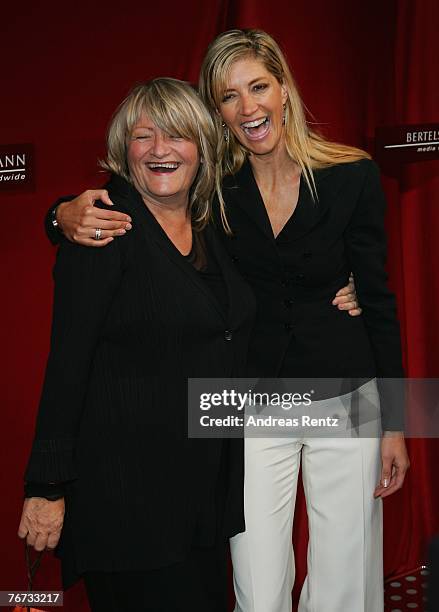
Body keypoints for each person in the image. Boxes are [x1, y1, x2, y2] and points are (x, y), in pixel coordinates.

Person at [40, 34, 374, 612]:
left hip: (313, 408)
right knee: (254, 581)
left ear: (285, 89)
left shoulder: (241, 208)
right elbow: (69, 359)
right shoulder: (185, 205)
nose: (247, 107)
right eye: (228, 96)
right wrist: (57, 215)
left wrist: (359, 291)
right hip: (205, 437)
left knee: (341, 568)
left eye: (259, 86)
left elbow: (352, 281)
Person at [18, 77, 257, 612]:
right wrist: (47, 485)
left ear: (202, 147)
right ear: (124, 150)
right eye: (143, 137)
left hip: (202, 499)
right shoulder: (103, 229)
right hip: (126, 504)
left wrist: (345, 283)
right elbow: (67, 364)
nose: (160, 150)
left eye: (176, 135)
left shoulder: (212, 227)